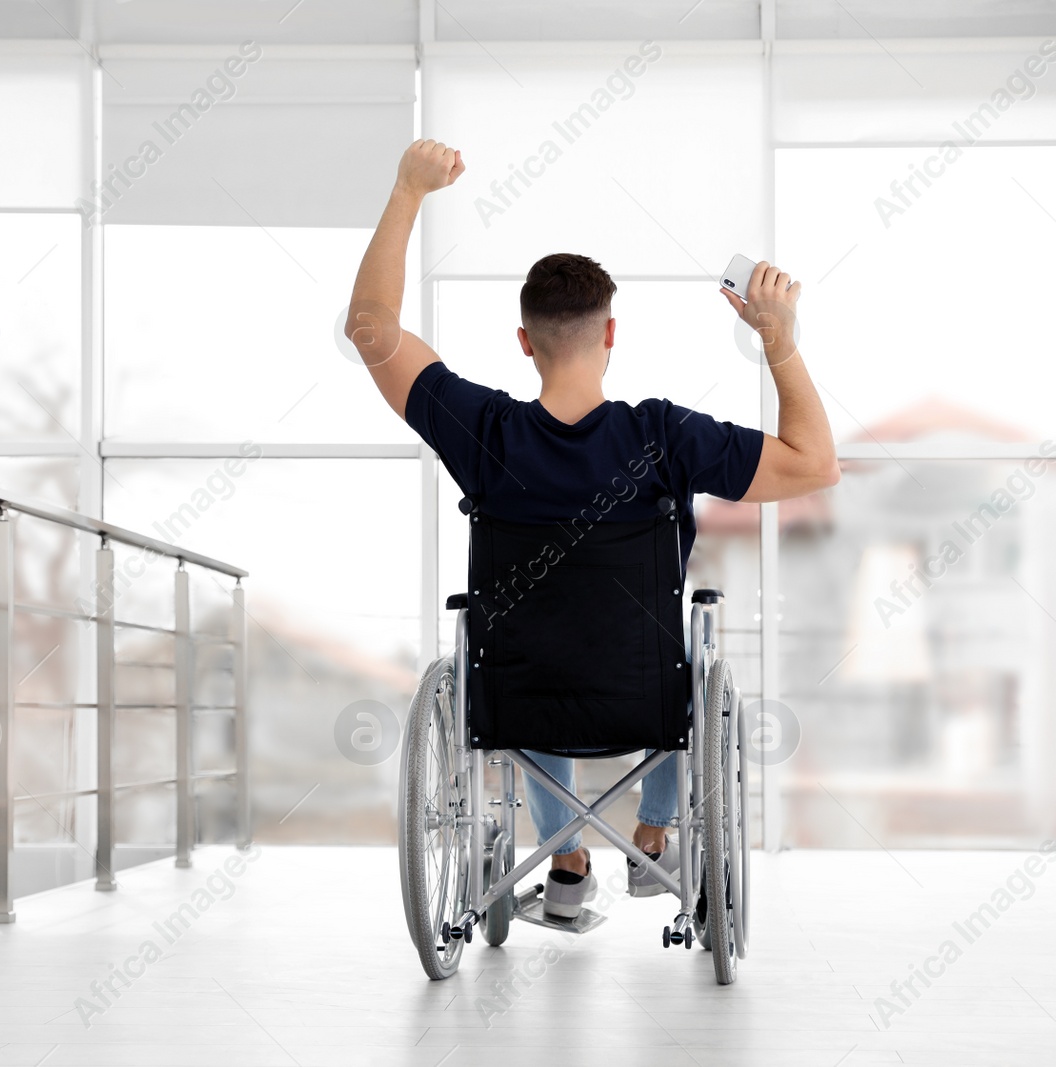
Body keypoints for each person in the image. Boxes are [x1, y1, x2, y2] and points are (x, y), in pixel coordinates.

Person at [346, 139, 839, 919]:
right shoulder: (666, 437)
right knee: (682, 648)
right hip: (645, 700)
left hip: (519, 699)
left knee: (523, 634)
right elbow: (815, 465)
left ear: (524, 342)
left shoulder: (486, 434)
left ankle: (567, 860)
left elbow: (369, 327)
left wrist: (408, 188)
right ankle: (652, 835)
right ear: (611, 334)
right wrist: (778, 339)